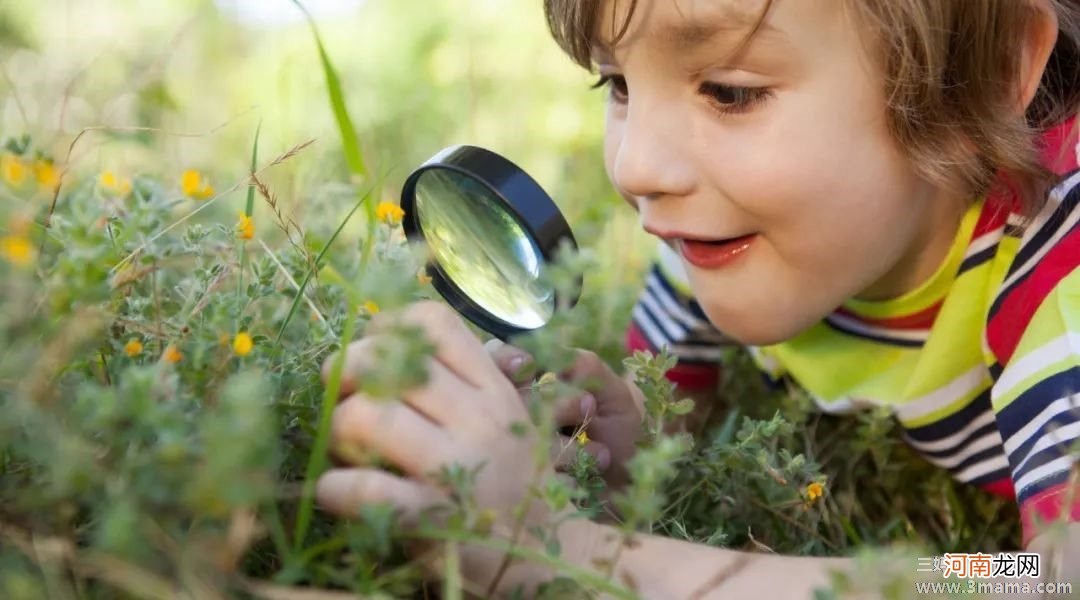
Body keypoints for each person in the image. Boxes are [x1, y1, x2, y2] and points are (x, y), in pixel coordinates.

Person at [316, 0, 1080, 596]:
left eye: (730, 92)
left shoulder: (1059, 276)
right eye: (618, 83)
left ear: (985, 73)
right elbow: (664, 439)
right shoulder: (720, 229)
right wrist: (622, 465)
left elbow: (1040, 579)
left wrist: (567, 557)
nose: (638, 167)